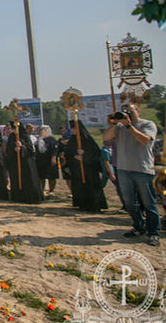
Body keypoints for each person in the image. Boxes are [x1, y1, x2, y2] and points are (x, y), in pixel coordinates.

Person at [103, 102, 160, 246]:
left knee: (148, 202)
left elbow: (144, 140)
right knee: (128, 202)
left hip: (142, 169)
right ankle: (139, 226)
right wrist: (115, 123)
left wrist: (129, 125)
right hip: (123, 168)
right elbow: (106, 137)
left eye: (130, 111)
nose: (127, 113)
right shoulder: (119, 127)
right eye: (124, 111)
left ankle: (153, 233)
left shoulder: (148, 124)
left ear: (138, 111)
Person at [65, 120, 108, 212]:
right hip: (77, 169)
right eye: (71, 129)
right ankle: (82, 204)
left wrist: (84, 156)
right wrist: (74, 156)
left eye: (74, 128)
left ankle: (95, 205)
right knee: (79, 186)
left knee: (91, 186)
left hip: (89, 169)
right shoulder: (72, 140)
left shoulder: (87, 139)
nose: (73, 131)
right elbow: (67, 152)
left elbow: (96, 153)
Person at [6, 122, 43, 204]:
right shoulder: (12, 137)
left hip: (26, 163)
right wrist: (14, 149)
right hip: (15, 162)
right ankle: (17, 196)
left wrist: (22, 147)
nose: (14, 131)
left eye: (15, 129)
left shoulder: (24, 136)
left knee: (27, 180)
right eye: (13, 129)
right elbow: (8, 149)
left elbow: (30, 149)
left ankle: (29, 197)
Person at [35, 125, 59, 196]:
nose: (39, 132)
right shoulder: (38, 140)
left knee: (51, 176)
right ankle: (42, 190)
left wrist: (54, 158)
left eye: (41, 130)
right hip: (40, 161)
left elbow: (55, 150)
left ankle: (51, 191)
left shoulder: (51, 140)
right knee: (41, 176)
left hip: (50, 161)